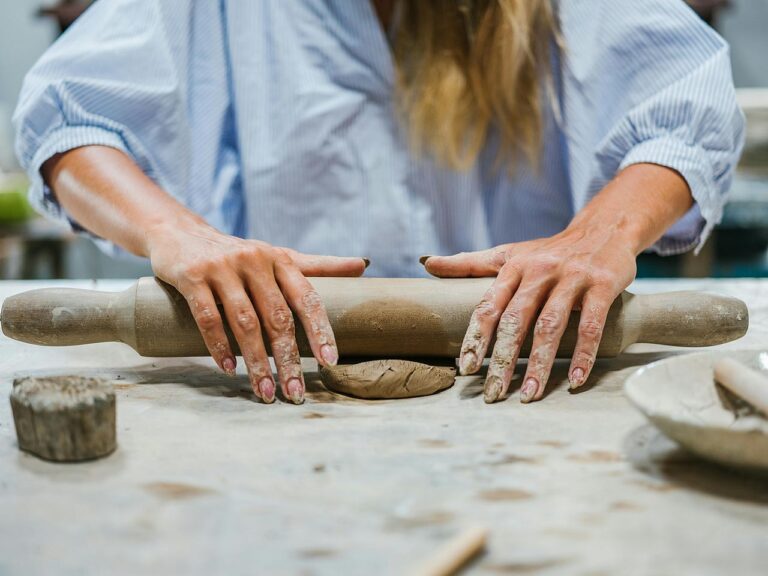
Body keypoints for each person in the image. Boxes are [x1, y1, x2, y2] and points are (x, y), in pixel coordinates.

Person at [14, 0, 744, 405]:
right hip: (264, 387)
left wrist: (602, 234)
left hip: (524, 384)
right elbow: (71, 120)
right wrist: (173, 232)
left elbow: (686, 103)